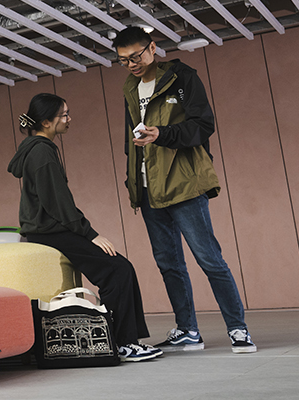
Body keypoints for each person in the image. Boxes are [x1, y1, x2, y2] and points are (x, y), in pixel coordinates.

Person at [113, 26, 255, 353]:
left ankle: (238, 329)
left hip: (184, 184)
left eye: (136, 56)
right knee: (169, 264)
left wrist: (161, 134)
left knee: (209, 259)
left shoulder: (182, 78)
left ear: (152, 47)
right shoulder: (130, 88)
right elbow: (129, 142)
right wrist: (133, 178)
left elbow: (203, 125)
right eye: (123, 60)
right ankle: (188, 329)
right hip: (150, 190)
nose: (132, 64)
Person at [8, 93, 162, 362]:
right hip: (51, 233)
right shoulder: (42, 151)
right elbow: (58, 203)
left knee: (119, 268)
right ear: (46, 122)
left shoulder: (36, 148)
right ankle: (123, 343)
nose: (69, 119)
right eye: (64, 115)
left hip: (45, 231)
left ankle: (125, 340)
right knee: (118, 269)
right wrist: (91, 234)